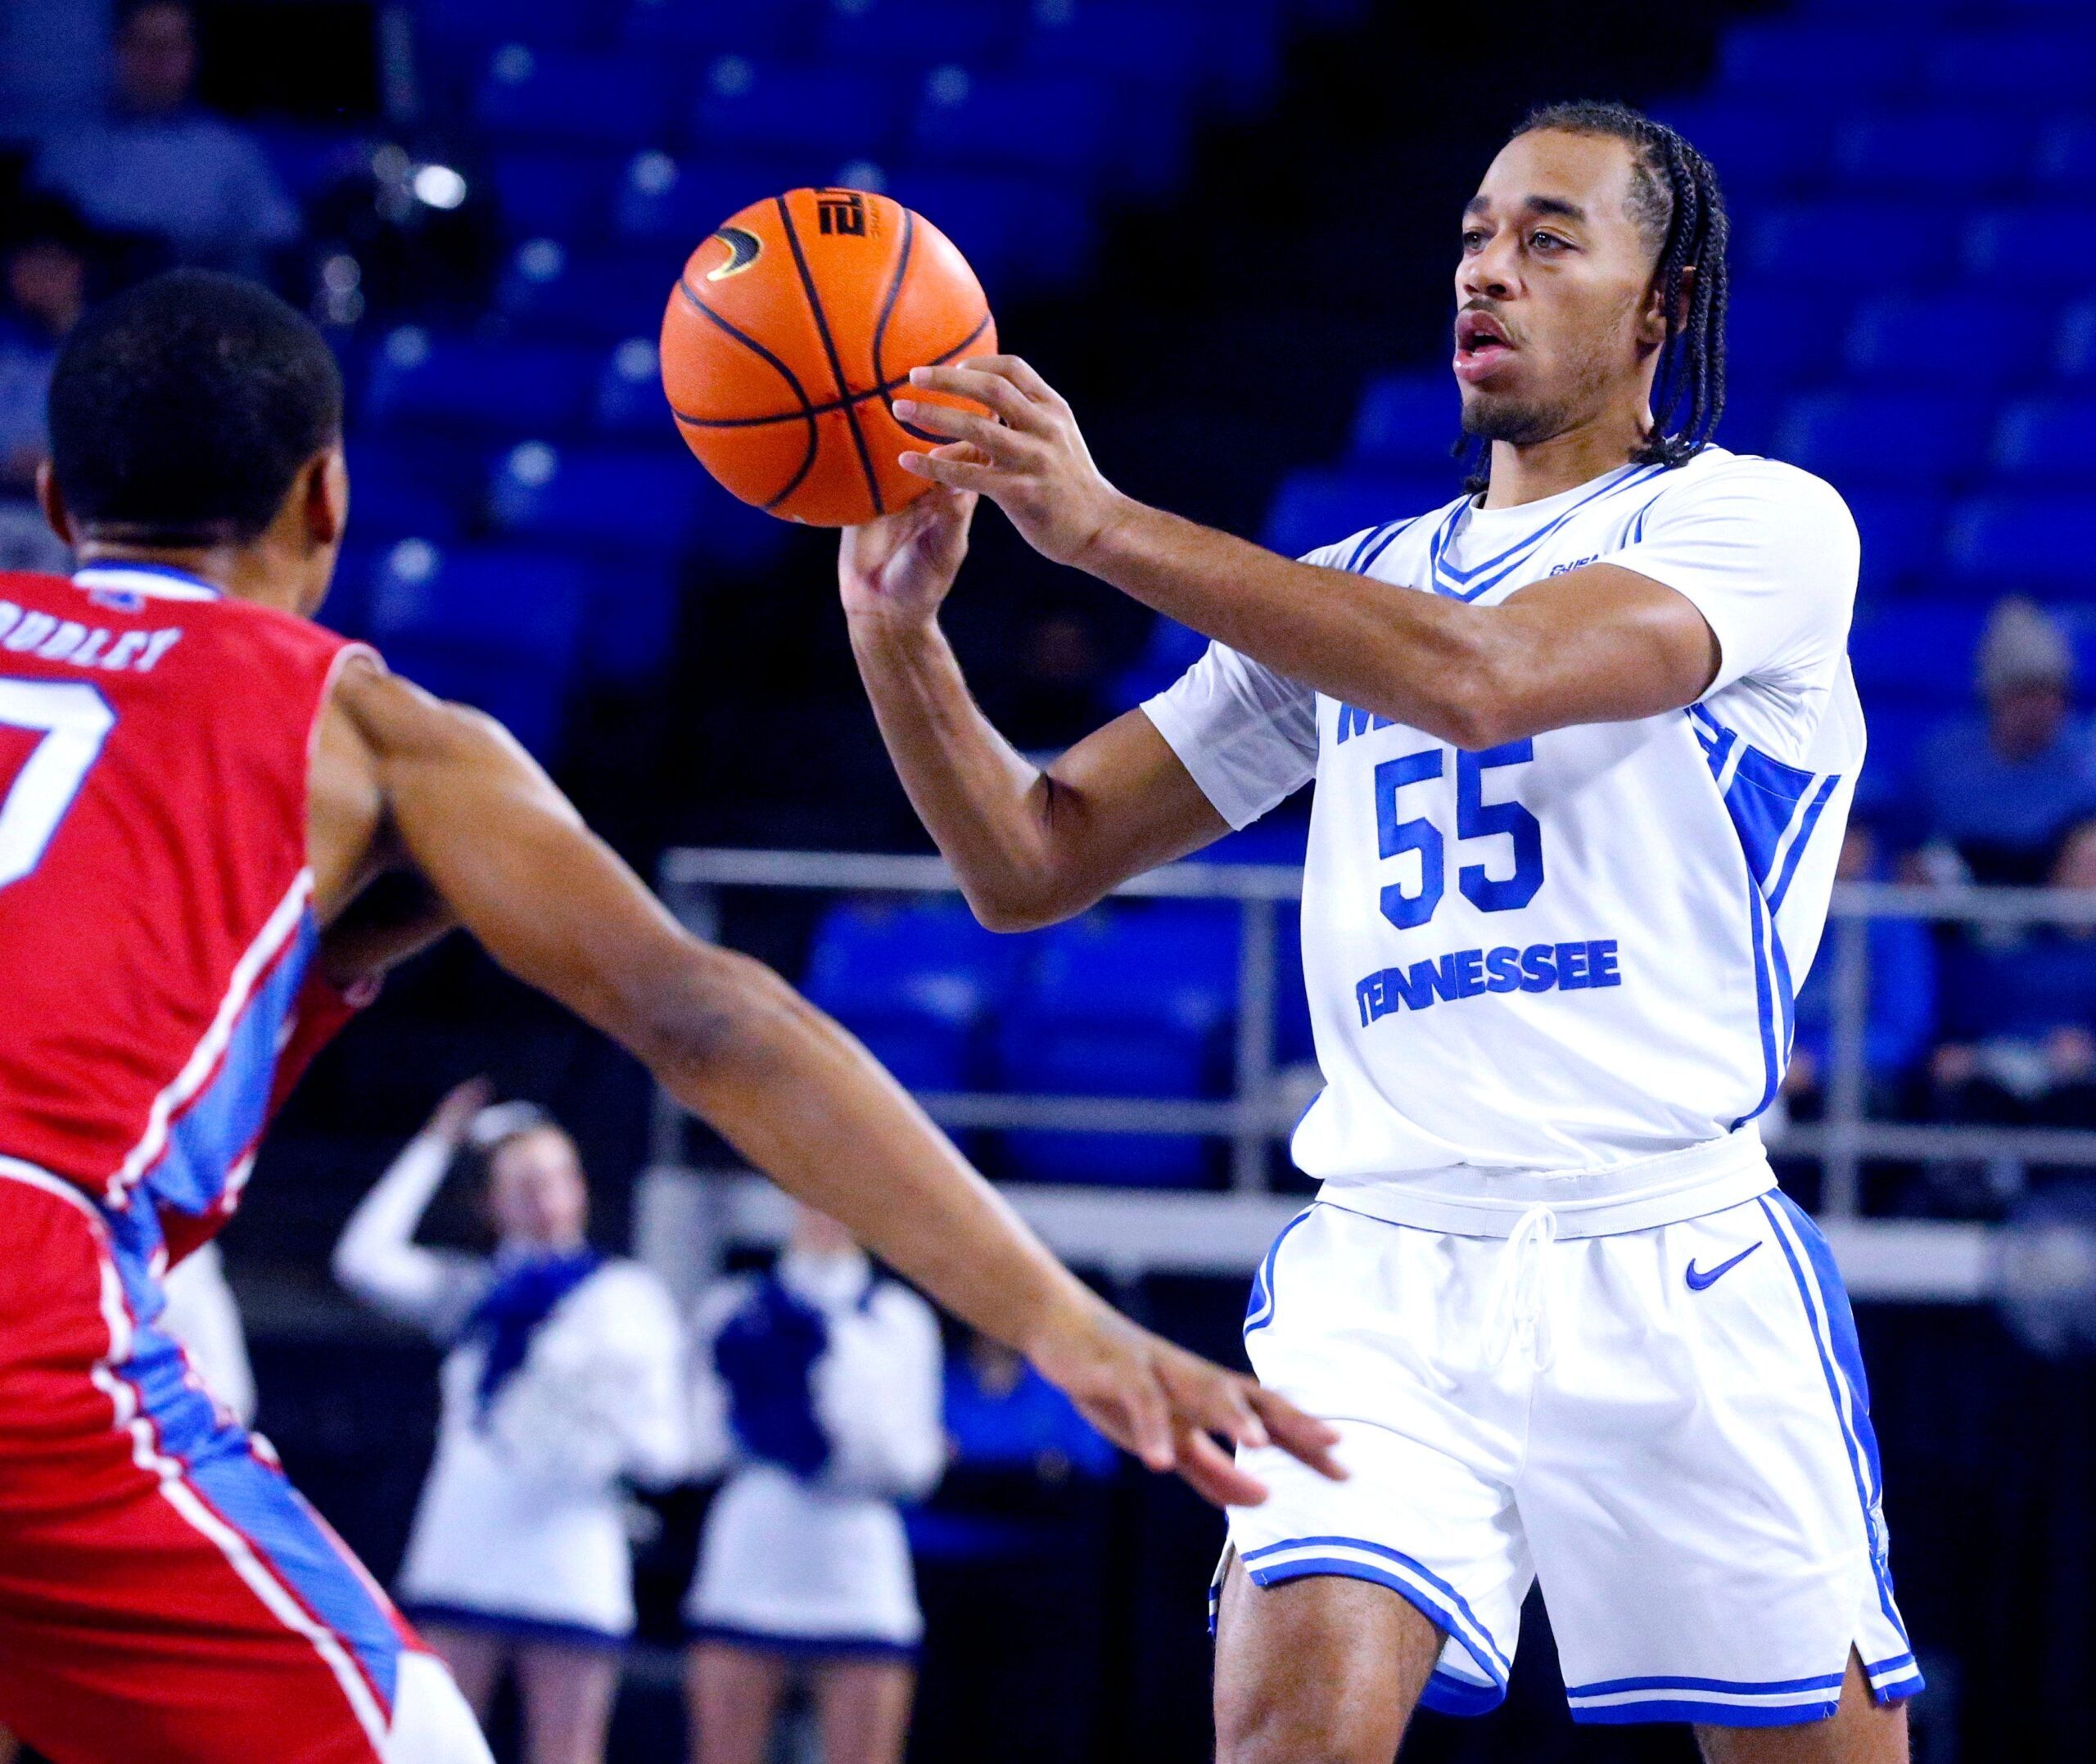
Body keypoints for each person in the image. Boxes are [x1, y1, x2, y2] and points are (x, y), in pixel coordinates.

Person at [0, 268, 1339, 1764]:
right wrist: (1063, 1321)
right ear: (328, 497)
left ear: (56, 501)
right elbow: (711, 1023)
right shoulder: (366, 727)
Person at [842, 101, 1919, 1759]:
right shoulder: (1346, 592)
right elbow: (1028, 862)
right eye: (1474, 235)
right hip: (1384, 1268)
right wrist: (899, 638)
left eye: (1548, 237)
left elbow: (1477, 681)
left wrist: (1100, 528)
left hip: (1670, 1253)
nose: (1486, 270)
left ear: (1662, 307)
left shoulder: (1759, 526)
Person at [333, 1080, 683, 1764]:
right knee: (433, 1749)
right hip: (463, 1549)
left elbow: (668, 1451)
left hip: (572, 1558)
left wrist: (592, 1422)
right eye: (522, 1183)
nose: (544, 1198)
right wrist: (435, 1145)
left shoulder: (627, 1296)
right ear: (490, 1202)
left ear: (580, 1186)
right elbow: (362, 1259)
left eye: (556, 1178)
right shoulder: (470, 1293)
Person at [683, 1206, 943, 1764]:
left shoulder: (900, 1319)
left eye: (841, 1193)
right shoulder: (735, 1308)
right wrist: (767, 1414)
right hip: (750, 1560)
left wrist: (829, 1431)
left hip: (859, 1571)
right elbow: (700, 1444)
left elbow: (914, 1465)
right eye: (809, 1191)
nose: (826, 1210)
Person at [33, 0, 300, 279]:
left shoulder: (233, 154)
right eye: (142, 44)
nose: (156, 60)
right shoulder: (66, 154)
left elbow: (279, 242)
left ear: (194, 55)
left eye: (171, 46)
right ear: (115, 50)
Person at [1916, 597, 2096, 885]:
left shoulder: (2088, 756)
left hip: (2060, 894)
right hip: (1961, 896)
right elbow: (1915, 839)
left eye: (2050, 693)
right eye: (2024, 693)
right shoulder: (1944, 757)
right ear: (1995, 696)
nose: (2038, 708)